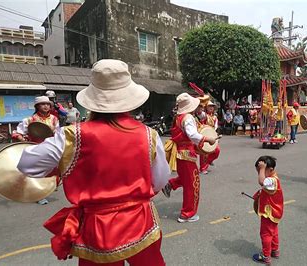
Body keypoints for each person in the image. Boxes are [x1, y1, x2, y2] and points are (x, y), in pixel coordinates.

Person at [17, 59, 171, 265]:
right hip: (141, 220)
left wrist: (62, 165)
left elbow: (26, 164)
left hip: (97, 227)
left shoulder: (71, 136)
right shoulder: (148, 135)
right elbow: (161, 179)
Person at [162, 93, 217, 223]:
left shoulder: (179, 117)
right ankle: (187, 214)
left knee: (187, 179)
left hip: (181, 154)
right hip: (187, 154)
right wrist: (207, 138)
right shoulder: (188, 118)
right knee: (192, 184)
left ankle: (170, 185)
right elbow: (192, 134)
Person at [12, 95, 60, 205]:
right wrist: (22, 139)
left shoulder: (54, 119)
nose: (46, 106)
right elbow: (16, 133)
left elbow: (58, 134)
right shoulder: (29, 120)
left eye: (48, 104)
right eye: (43, 104)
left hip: (50, 149)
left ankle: (44, 190)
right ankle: (39, 195)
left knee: (51, 172)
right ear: (37, 106)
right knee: (38, 173)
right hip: (35, 150)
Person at [252, 156, 283, 264]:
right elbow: (265, 188)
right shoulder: (272, 178)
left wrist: (261, 168)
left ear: (269, 170)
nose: (260, 174)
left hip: (269, 213)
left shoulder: (271, 180)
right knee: (274, 232)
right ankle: (275, 251)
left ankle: (266, 256)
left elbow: (262, 182)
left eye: (261, 171)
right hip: (274, 213)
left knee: (266, 234)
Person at [199, 101, 221, 175]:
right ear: (206, 108)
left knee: (217, 151)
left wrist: (216, 135)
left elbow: (215, 127)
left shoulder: (215, 117)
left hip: (212, 135)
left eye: (212, 106)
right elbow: (200, 116)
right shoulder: (204, 115)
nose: (211, 108)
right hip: (205, 135)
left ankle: (209, 161)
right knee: (204, 153)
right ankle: (203, 168)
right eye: (209, 106)